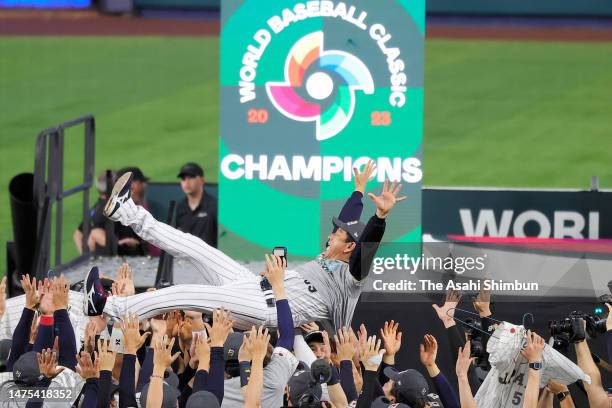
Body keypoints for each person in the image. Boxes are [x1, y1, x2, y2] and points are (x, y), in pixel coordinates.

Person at [84, 161, 404, 336]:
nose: (331, 234)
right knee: (196, 247)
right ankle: (126, 212)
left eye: (338, 235)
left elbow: (365, 250)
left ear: (349, 248)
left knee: (185, 292)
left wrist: (381, 216)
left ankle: (109, 307)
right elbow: (348, 222)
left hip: (262, 310)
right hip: (253, 287)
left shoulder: (350, 279)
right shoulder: (331, 255)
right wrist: (359, 190)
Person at [175, 162, 218, 248]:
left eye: (191, 177)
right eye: (183, 179)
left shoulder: (215, 206)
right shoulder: (179, 208)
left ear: (202, 180)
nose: (186, 182)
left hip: (209, 258)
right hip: (184, 259)